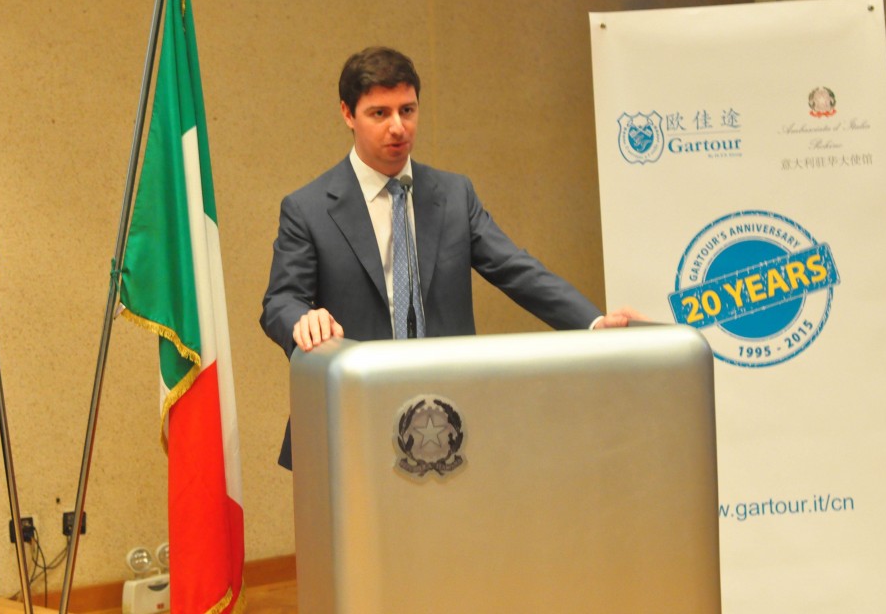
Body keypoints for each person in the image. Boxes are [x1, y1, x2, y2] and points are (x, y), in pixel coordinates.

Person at [261, 46, 642, 469]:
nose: (398, 127)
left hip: (448, 419)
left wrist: (593, 323)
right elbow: (280, 301)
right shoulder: (309, 208)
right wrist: (302, 319)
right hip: (352, 416)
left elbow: (516, 269)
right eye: (379, 113)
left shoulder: (454, 195)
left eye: (407, 110)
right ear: (348, 114)